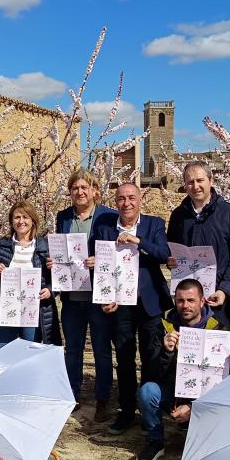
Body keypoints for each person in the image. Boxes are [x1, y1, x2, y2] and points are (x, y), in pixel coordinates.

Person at [92, 182, 171, 435]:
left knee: (151, 356)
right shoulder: (104, 227)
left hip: (149, 302)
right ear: (116, 202)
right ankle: (126, 411)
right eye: (121, 199)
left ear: (140, 200)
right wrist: (104, 292)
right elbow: (101, 264)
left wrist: (138, 240)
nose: (126, 203)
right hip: (120, 304)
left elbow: (163, 254)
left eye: (131, 198)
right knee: (124, 358)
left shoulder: (154, 224)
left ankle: (149, 412)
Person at [134, 279, 230, 460]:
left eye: (191, 300)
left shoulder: (219, 328)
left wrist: (193, 406)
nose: (185, 305)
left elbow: (221, 380)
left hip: (204, 397)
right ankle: (155, 440)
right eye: (180, 300)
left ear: (202, 301)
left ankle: (198, 434)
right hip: (172, 391)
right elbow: (152, 372)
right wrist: (166, 351)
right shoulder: (164, 327)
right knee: (147, 391)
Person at [54, 169, 116, 420]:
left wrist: (100, 260)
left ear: (95, 191)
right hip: (72, 295)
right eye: (75, 188)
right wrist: (55, 263)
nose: (80, 192)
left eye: (84, 188)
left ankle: (103, 398)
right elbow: (61, 250)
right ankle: (72, 393)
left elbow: (116, 253)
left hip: (99, 294)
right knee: (73, 348)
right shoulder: (64, 217)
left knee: (101, 348)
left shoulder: (108, 217)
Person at [167, 161, 230, 331]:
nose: (195, 186)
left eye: (200, 180)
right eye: (190, 182)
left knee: (218, 352)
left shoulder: (229, 213)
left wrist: (225, 290)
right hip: (187, 303)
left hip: (217, 299)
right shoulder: (178, 216)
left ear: (210, 181)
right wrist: (171, 261)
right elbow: (172, 251)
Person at [0, 201, 60, 350]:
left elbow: (58, 278)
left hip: (34, 311)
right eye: (17, 217)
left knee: (31, 352)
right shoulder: (2, 245)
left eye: (25, 217)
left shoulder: (45, 247)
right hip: (6, 310)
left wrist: (50, 291)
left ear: (33, 220)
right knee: (2, 351)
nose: (21, 221)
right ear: (11, 220)